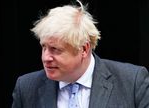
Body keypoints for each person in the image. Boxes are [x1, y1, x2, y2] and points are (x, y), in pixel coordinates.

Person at [11, 0, 149, 108]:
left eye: (55, 49)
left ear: (84, 49)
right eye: (44, 47)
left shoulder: (132, 82)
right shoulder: (26, 88)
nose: (46, 57)